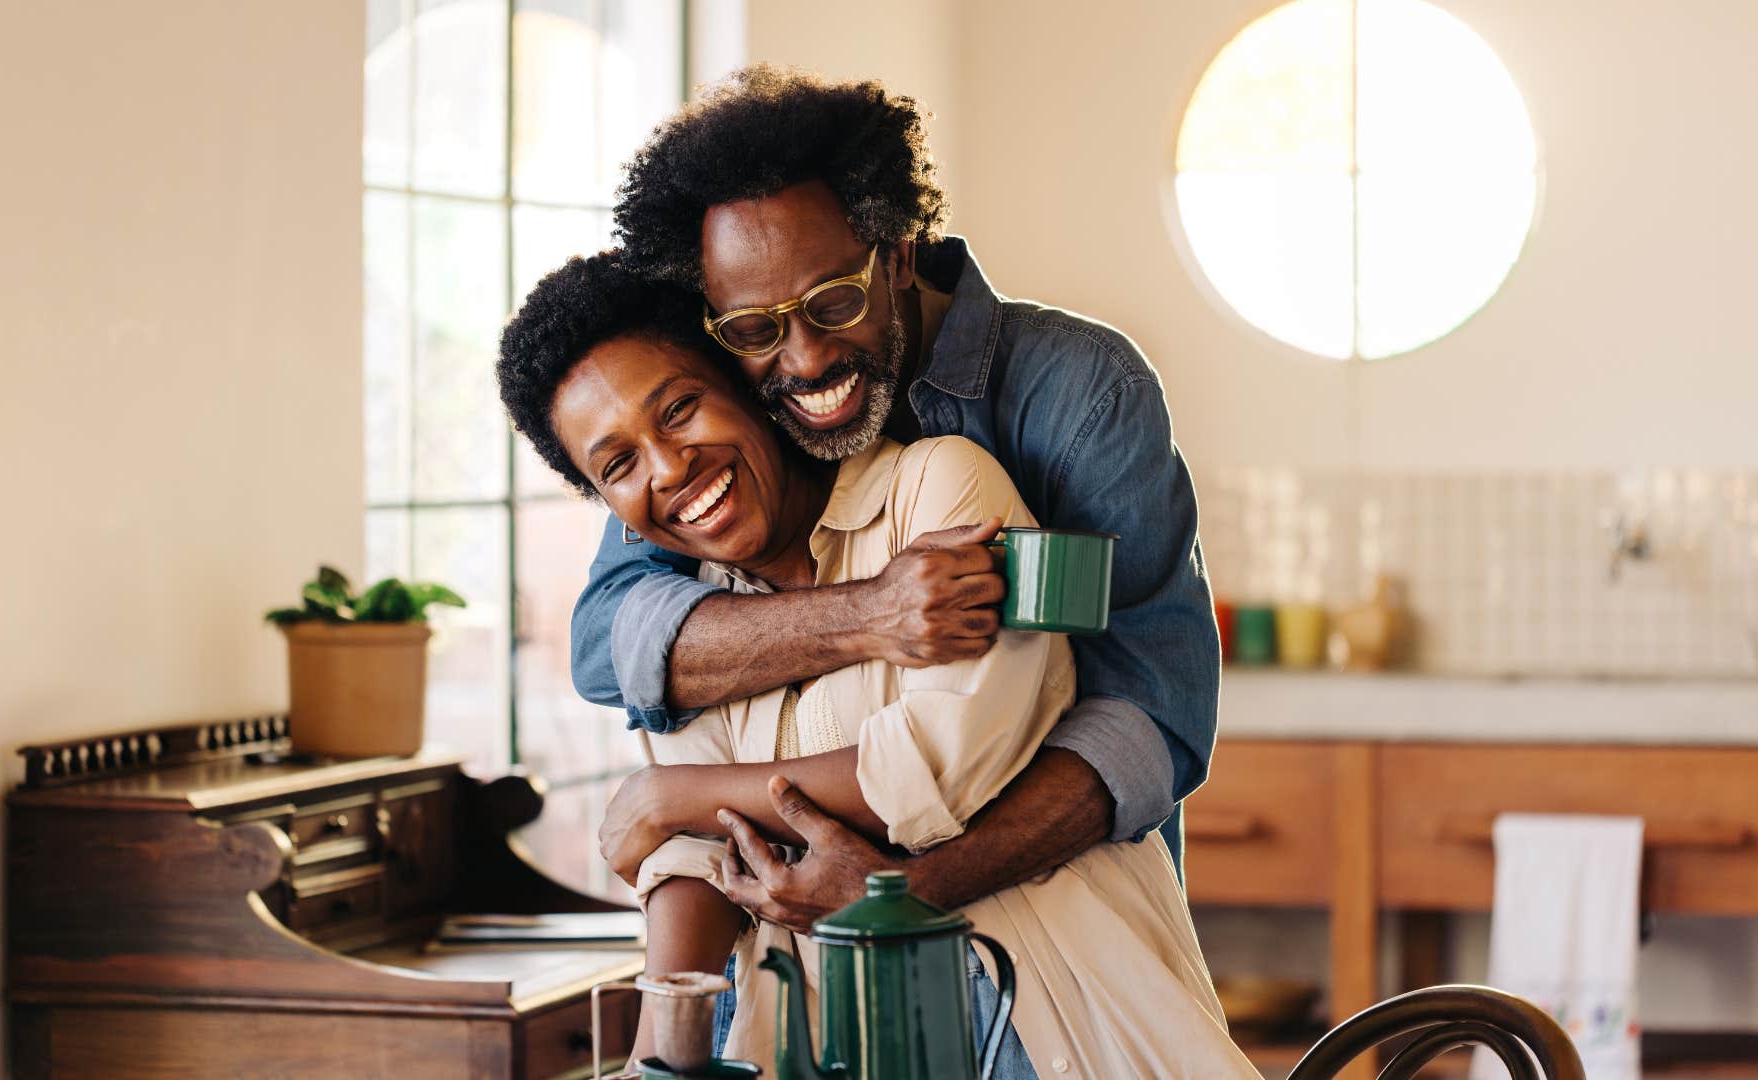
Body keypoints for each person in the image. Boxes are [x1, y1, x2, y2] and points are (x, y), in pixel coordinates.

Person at [497, 253, 1256, 1079]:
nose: (669, 467)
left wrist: (672, 794)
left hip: (1039, 1009)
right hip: (822, 1037)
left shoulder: (946, 486)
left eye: (680, 409)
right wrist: (658, 1058)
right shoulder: (689, 607)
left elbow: (929, 768)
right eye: (617, 465)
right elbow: (691, 856)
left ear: (742, 381)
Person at [577, 64, 1219, 947]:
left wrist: (904, 893)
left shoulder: (1079, 393)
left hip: (1056, 966)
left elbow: (1152, 717)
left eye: (835, 302)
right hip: (798, 975)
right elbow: (610, 645)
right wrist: (871, 615)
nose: (803, 361)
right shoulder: (720, 417)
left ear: (902, 252)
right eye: (757, 327)